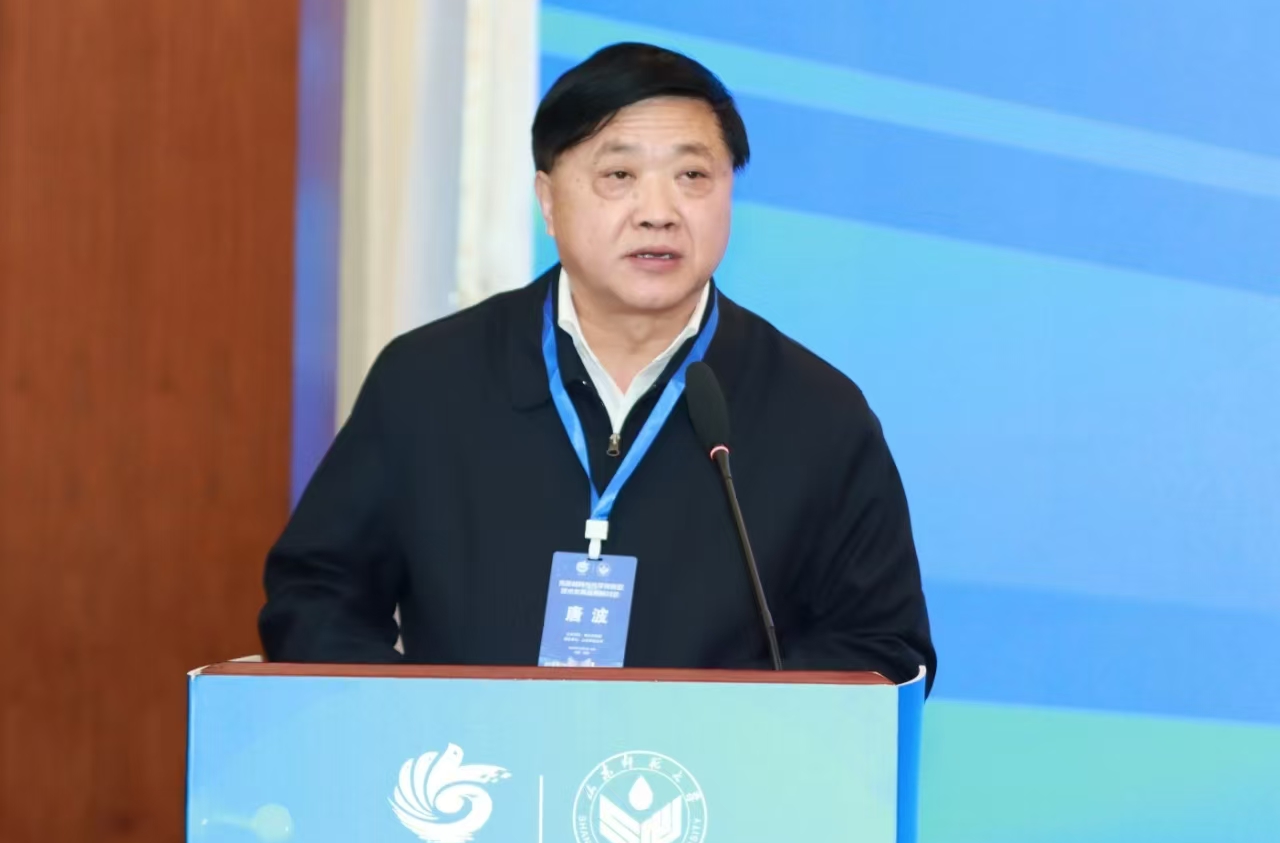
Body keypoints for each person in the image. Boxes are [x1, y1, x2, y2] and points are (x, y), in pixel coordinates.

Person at [259, 42, 935, 688]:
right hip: (475, 764)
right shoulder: (428, 381)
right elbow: (316, 595)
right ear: (549, 201)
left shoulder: (817, 413)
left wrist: (730, 731)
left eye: (693, 176)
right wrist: (422, 723)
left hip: (705, 771)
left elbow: (881, 647)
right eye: (619, 176)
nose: (658, 213)